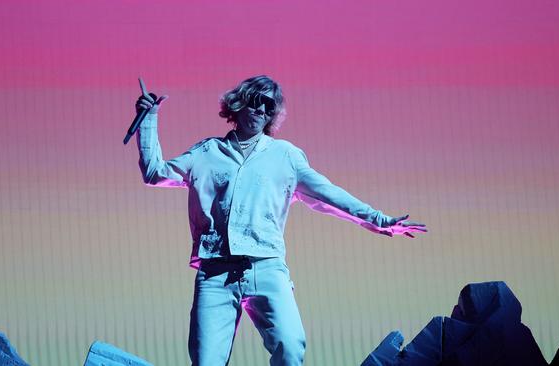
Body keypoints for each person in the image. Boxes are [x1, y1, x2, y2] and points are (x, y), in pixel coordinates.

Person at [133, 75, 426, 366]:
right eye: (256, 102)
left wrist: (378, 220)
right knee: (206, 360)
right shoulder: (207, 152)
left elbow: (328, 194)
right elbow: (155, 173)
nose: (262, 110)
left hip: (266, 267)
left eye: (269, 107)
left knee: (291, 346)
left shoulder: (285, 156)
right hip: (215, 273)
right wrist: (148, 119)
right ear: (238, 104)